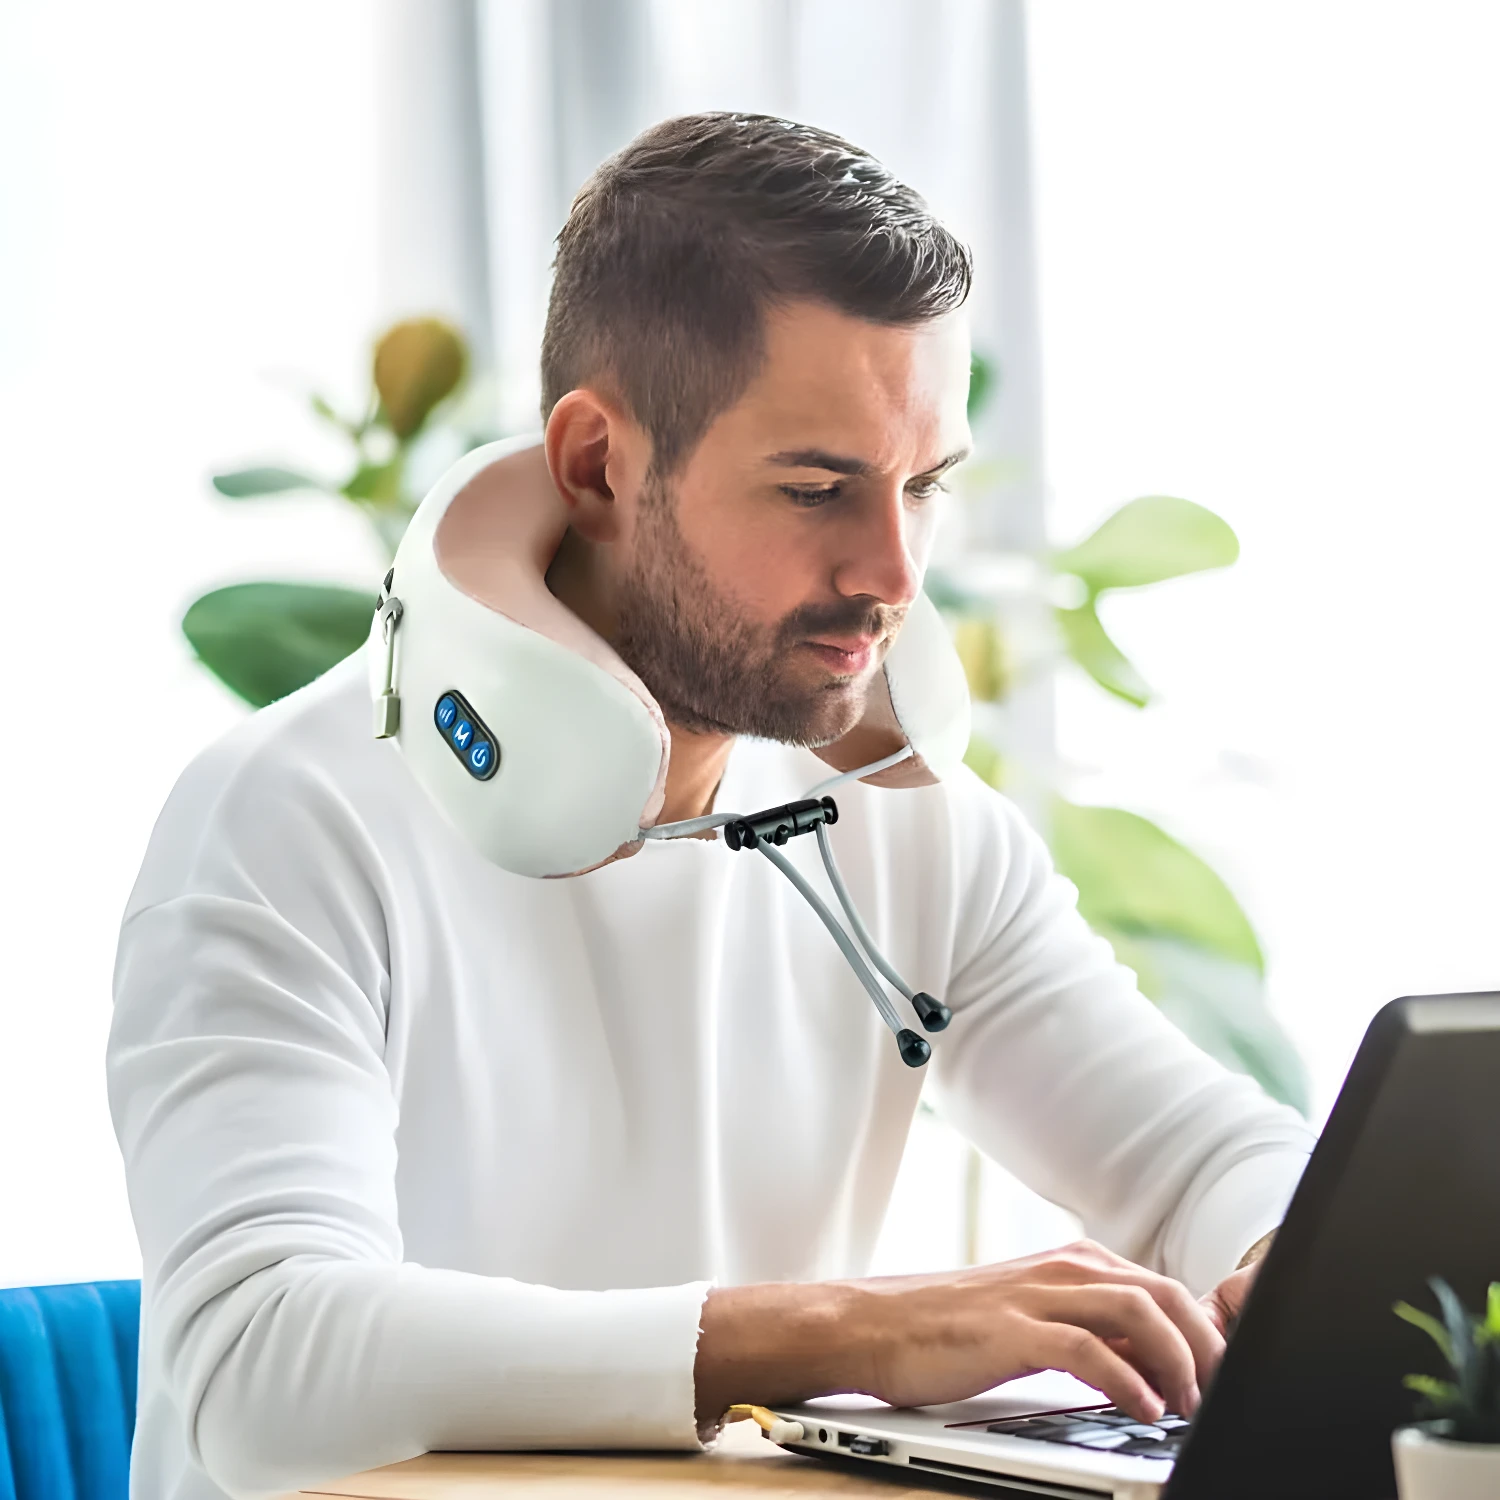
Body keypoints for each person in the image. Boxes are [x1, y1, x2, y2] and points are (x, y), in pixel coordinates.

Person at [108, 113, 1315, 1500]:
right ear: (597, 464)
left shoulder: (908, 820)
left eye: (924, 487)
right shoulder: (283, 819)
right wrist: (843, 1333)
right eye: (820, 488)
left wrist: (1297, 1256)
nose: (896, 572)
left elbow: (1200, 1157)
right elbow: (258, 1369)